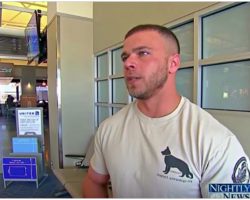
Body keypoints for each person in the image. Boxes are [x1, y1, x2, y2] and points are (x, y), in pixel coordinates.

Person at [83, 24, 250, 198]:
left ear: (173, 63)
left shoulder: (216, 142)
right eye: (125, 57)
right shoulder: (109, 128)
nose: (128, 63)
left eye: (143, 53)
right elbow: (94, 181)